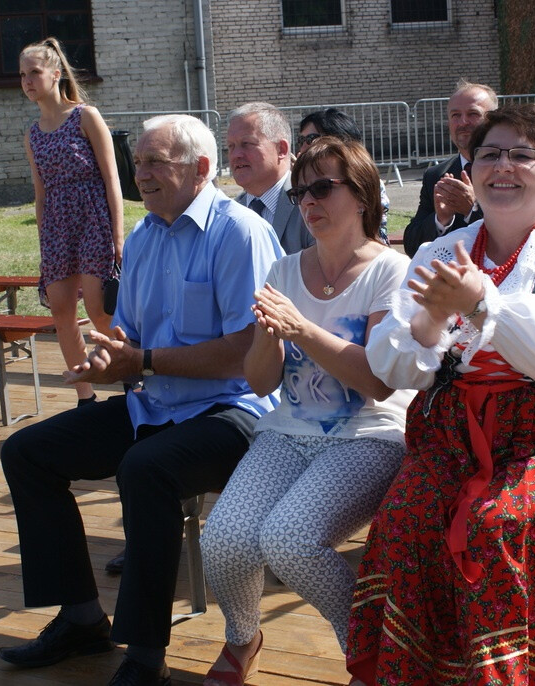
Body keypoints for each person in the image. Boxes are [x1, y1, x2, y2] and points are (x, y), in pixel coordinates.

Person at [346, 104, 535, 684]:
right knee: (404, 518)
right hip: (453, 440)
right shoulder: (439, 252)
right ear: (471, 170)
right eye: (489, 155)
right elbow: (391, 365)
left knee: (498, 525)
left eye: (522, 155)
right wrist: (432, 321)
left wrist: (484, 305)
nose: (503, 166)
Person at [0, 114, 282, 686]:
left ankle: (146, 656)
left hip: (236, 413)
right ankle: (81, 617)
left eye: (156, 162)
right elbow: (129, 334)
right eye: (139, 162)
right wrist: (109, 357)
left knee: (146, 468)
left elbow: (245, 353)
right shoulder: (146, 237)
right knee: (26, 453)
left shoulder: (239, 232)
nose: (141, 174)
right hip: (157, 404)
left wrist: (144, 361)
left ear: (201, 169)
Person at [199, 138, 412, 685]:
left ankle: (369, 654)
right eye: (300, 193)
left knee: (290, 541)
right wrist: (270, 336)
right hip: (289, 430)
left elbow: (377, 383)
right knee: (223, 539)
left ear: (361, 195)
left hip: (370, 433)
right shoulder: (285, 269)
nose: (309, 202)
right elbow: (262, 381)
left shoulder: (392, 271)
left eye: (322, 187)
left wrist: (301, 329)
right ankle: (242, 638)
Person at [19, 36, 124, 405]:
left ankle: (134, 382)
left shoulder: (85, 116)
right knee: (62, 313)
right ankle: (85, 397)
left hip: (93, 220)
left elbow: (112, 179)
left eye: (34, 72)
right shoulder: (32, 133)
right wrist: (44, 242)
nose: (27, 81)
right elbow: (40, 194)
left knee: (100, 312)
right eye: (22, 75)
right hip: (56, 230)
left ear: (55, 74)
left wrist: (117, 236)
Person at [402, 80, 497, 257]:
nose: (463, 122)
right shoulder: (436, 176)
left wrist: (472, 210)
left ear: (493, 120)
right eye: (455, 115)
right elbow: (412, 246)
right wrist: (441, 220)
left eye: (473, 114)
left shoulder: (509, 170)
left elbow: (516, 236)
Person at [227, 102, 314, 254]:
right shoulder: (230, 212)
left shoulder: (310, 204)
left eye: (247, 144)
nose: (236, 155)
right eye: (231, 146)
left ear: (281, 149)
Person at [296, 108, 391, 244]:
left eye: (311, 139)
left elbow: (375, 234)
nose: (303, 148)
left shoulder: (365, 182)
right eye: (301, 140)